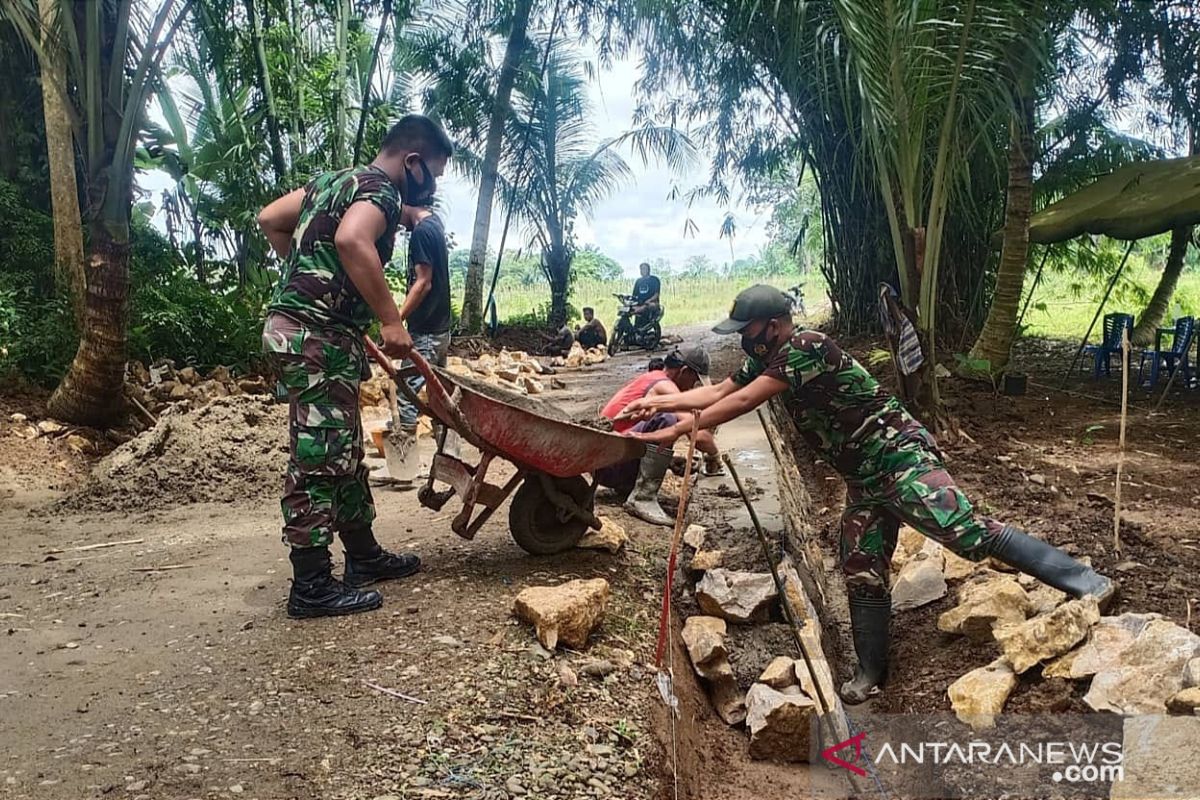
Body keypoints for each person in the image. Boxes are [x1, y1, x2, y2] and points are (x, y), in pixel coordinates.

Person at [621, 284, 1116, 702]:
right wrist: (652, 404)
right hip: (865, 476)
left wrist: (670, 433)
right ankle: (871, 676)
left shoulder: (805, 348)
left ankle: (1086, 582)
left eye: (747, 331)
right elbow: (716, 392)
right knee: (860, 565)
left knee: (963, 532)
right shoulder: (769, 356)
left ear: (773, 325)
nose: (743, 341)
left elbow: (742, 403)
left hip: (899, 457)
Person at [258, 114, 454, 619]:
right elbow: (350, 241)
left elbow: (271, 220)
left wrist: (312, 282)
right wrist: (390, 321)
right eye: (431, 173)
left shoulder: (333, 182)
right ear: (412, 163)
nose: (430, 185)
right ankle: (312, 586)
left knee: (342, 449)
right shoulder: (382, 192)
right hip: (313, 337)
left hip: (315, 332)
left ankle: (363, 556)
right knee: (318, 457)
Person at [596, 346, 721, 525]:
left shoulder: (652, 378)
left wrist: (668, 461)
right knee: (667, 417)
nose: (693, 387)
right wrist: (714, 455)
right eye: (694, 381)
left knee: (666, 419)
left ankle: (631, 488)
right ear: (684, 371)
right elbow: (698, 435)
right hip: (609, 465)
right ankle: (642, 498)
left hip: (605, 460)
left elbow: (633, 431)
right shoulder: (665, 387)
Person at [390, 190, 452, 479]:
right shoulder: (435, 225)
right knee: (441, 397)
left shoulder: (421, 233)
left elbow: (423, 282)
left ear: (405, 204)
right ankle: (450, 456)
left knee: (408, 393)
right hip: (440, 328)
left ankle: (404, 467)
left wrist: (395, 319)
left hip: (426, 329)